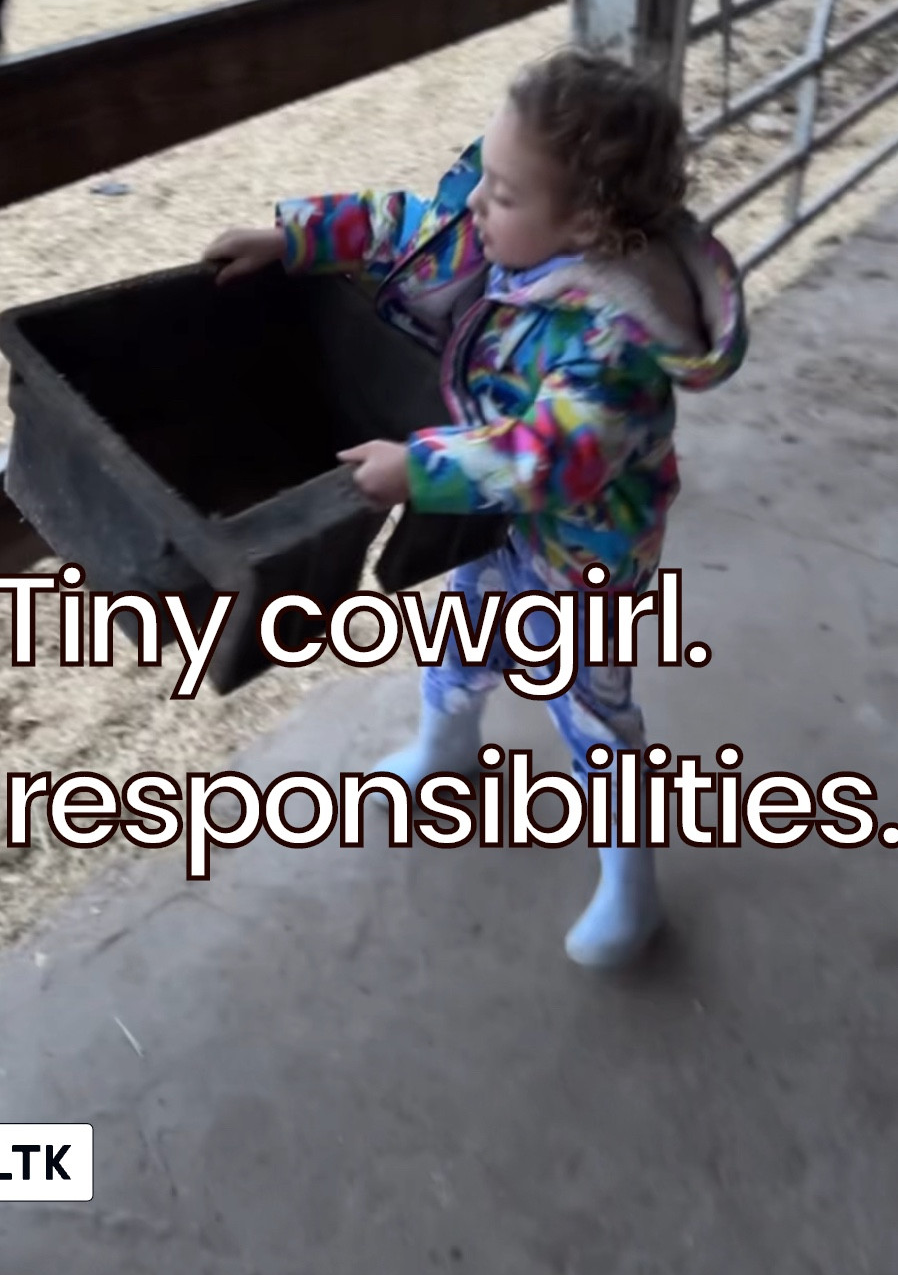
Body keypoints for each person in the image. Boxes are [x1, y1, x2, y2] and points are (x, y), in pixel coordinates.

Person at [204, 48, 748, 969]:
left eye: (501, 191)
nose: (476, 203)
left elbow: (552, 459)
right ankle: (445, 742)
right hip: (493, 522)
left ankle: (631, 881)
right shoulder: (501, 232)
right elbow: (400, 224)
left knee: (591, 708)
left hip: (582, 556)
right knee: (463, 632)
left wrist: (422, 470)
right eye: (485, 176)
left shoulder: (613, 336)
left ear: (586, 219)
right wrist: (290, 237)